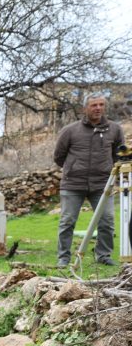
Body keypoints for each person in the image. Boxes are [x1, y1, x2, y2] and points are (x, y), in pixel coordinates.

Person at [54, 92, 125, 267]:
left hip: (103, 184)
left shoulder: (115, 129)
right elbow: (58, 157)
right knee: (67, 221)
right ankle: (63, 257)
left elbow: (119, 154)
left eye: (101, 105)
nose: (98, 108)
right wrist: (74, 168)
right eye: (94, 105)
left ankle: (103, 255)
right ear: (85, 108)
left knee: (107, 220)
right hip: (73, 184)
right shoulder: (70, 130)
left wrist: (107, 170)